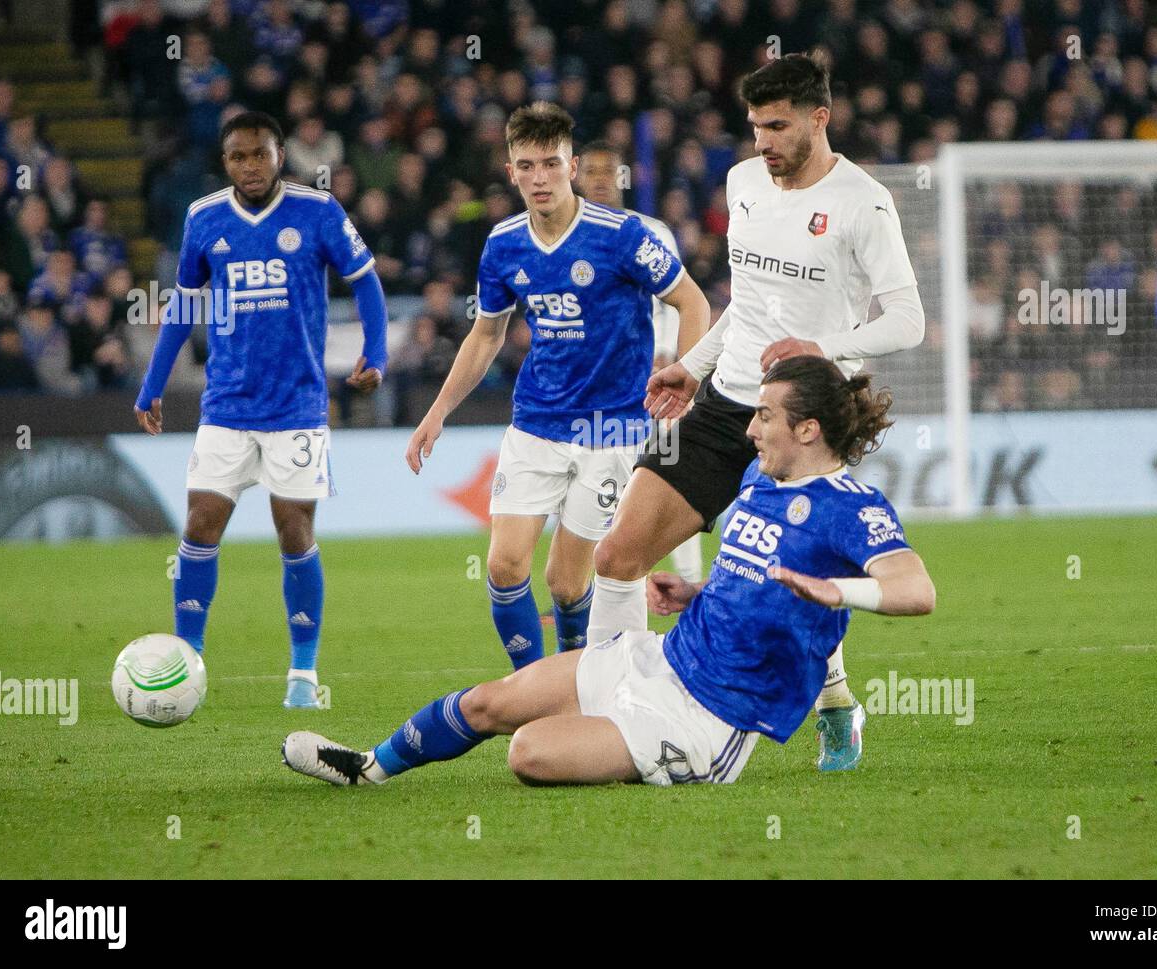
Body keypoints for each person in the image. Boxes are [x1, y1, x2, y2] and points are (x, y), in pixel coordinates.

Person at [282, 356, 934, 787]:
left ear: (809, 428)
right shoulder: (759, 478)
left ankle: (670, 752)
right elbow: (763, 578)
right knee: (489, 701)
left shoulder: (854, 508)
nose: (752, 427)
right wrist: (700, 588)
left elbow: (916, 589)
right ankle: (366, 767)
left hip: (704, 721)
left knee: (529, 751)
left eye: (765, 415)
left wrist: (836, 590)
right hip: (659, 659)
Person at [588, 53, 926, 770]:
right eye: (755, 128)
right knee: (616, 554)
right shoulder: (744, 182)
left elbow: (908, 319)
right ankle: (610, 707)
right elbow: (750, 301)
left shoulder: (864, 202)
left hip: (808, 416)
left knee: (780, 580)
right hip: (723, 404)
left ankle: (833, 699)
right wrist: (694, 364)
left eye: (777, 126)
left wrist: (822, 347)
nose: (763, 142)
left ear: (819, 119)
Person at [403, 102, 710, 670]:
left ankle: (574, 677)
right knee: (504, 566)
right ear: (510, 170)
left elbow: (692, 300)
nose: (538, 177)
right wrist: (437, 411)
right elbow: (485, 335)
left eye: (550, 163)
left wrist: (685, 380)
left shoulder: (623, 236)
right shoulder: (503, 244)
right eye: (526, 166)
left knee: (568, 584)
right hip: (537, 424)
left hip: (614, 430)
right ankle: (533, 688)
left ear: (571, 167)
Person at [133, 111, 388, 708]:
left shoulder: (318, 212)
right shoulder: (204, 218)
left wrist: (375, 355)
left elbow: (367, 282)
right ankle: (185, 657)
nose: (249, 166)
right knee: (199, 526)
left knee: (294, 532)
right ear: (225, 162)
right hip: (226, 405)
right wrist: (151, 386)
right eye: (237, 157)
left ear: (280, 154)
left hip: (297, 408)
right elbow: (181, 309)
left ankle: (302, 672)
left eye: (259, 154)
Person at [576, 139, 705, 586]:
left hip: (653, 382)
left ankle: (688, 576)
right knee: (594, 483)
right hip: (592, 386)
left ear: (622, 177)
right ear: (576, 175)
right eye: (589, 170)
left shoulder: (650, 231)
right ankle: (589, 586)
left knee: (672, 477)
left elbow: (676, 301)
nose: (597, 179)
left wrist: (669, 354)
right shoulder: (568, 234)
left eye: (606, 171)